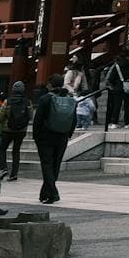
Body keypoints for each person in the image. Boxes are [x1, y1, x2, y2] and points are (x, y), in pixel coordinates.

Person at [30, 72, 76, 205]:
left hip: (46, 136)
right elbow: (73, 119)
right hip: (62, 136)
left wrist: (36, 136)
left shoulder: (45, 99)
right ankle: (45, 194)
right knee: (55, 165)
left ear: (50, 85)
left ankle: (53, 193)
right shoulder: (70, 99)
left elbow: (38, 120)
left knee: (47, 164)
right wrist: (68, 134)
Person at [0, 81, 30, 181]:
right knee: (16, 150)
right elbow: (30, 115)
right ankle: (14, 173)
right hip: (21, 130)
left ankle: (3, 168)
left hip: (8, 129)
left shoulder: (8, 101)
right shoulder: (27, 102)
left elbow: (1, 115)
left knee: (2, 149)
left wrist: (3, 121)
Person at [101, 54, 129, 130]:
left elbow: (111, 78)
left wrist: (114, 85)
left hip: (118, 87)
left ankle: (114, 123)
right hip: (128, 86)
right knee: (127, 106)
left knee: (117, 105)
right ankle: (127, 123)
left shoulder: (116, 66)